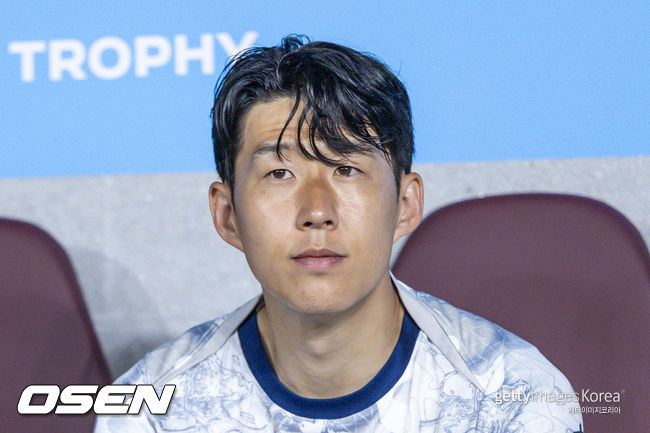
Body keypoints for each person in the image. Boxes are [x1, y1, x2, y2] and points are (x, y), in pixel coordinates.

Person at [94, 35, 583, 432]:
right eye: (279, 174)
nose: (317, 212)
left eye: (346, 169)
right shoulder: (153, 408)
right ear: (227, 215)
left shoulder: (512, 397)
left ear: (406, 205)